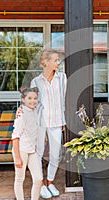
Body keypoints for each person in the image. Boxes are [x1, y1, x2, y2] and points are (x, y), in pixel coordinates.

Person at [30, 48, 67, 199]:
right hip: (39, 122)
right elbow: (32, 104)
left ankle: (50, 181)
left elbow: (63, 100)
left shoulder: (62, 78)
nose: (58, 62)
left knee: (56, 154)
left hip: (57, 120)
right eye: (55, 60)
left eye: (58, 60)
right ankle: (41, 185)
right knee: (38, 153)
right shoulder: (36, 81)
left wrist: (63, 120)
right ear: (45, 62)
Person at [12, 87, 42, 200]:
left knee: (38, 179)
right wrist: (17, 158)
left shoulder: (35, 110)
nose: (33, 101)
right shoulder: (21, 115)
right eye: (29, 98)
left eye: (35, 98)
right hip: (21, 150)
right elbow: (15, 137)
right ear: (23, 100)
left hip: (32, 150)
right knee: (20, 178)